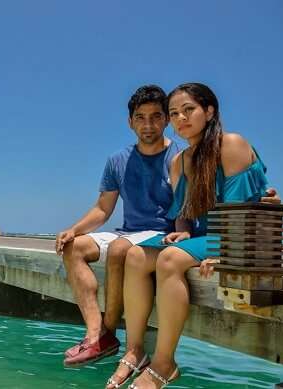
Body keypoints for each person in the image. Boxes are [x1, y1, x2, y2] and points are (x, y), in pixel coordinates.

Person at [114, 82, 279, 389]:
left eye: (188, 110)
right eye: (174, 113)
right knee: (135, 255)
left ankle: (165, 363)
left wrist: (224, 254)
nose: (180, 119)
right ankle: (134, 350)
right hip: (204, 238)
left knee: (169, 260)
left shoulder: (231, 144)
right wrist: (183, 232)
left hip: (240, 237)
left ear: (209, 110)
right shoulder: (180, 161)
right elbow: (183, 212)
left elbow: (239, 209)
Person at [56, 85, 182, 367]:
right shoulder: (117, 160)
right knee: (72, 247)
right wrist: (73, 229)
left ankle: (109, 334)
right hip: (129, 231)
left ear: (167, 120)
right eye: (140, 117)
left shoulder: (180, 157)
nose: (148, 124)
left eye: (155, 116)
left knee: (117, 249)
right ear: (130, 121)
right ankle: (94, 332)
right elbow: (103, 209)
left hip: (162, 234)